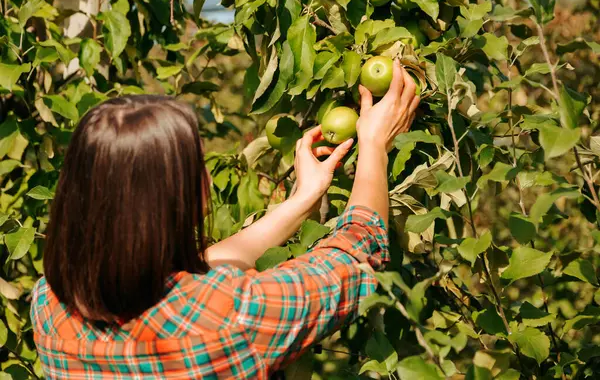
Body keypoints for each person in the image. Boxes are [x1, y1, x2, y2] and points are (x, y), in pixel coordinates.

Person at [30, 60, 420, 379]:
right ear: (180, 198)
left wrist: (302, 200)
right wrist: (373, 145)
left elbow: (190, 279)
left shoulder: (49, 301)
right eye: (196, 167)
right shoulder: (235, 315)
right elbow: (357, 253)